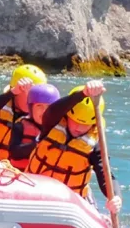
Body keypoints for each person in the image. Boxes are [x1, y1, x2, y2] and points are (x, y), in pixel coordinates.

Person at [26, 80, 123, 214]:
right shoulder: (51, 124)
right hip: (33, 188)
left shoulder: (95, 145)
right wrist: (83, 94)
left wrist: (116, 196)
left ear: (94, 123)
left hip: (70, 200)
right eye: (75, 121)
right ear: (67, 116)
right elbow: (52, 110)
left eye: (85, 124)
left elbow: (105, 176)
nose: (78, 128)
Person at [0, 64, 48, 170]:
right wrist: (12, 92)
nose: (33, 100)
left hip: (11, 176)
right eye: (29, 95)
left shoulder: (39, 118)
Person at [7, 83, 60, 170]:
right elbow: (14, 153)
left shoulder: (60, 131)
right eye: (39, 106)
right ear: (31, 108)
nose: (44, 111)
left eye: (49, 107)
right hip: (22, 176)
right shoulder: (20, 127)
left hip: (48, 179)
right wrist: (39, 144)